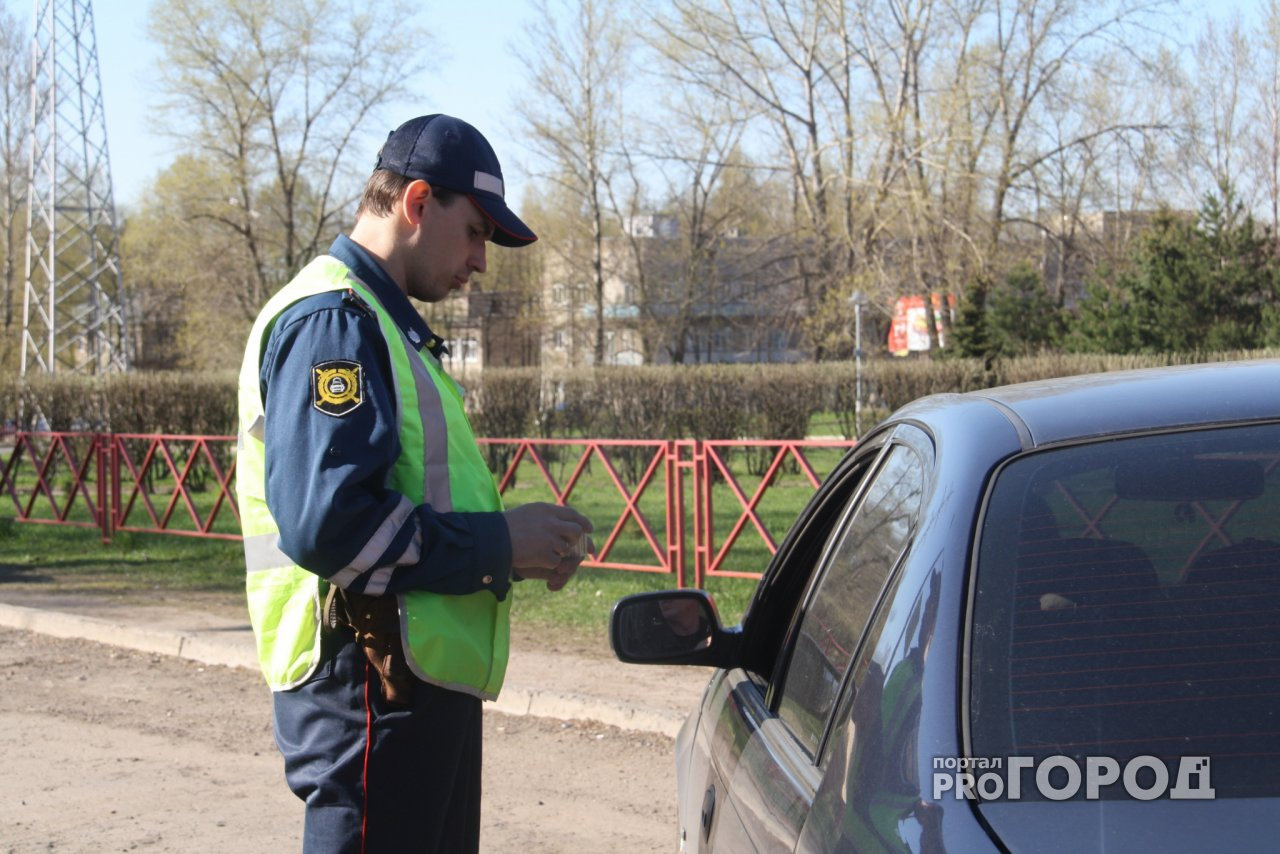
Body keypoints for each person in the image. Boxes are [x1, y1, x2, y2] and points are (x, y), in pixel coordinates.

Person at [235, 114, 593, 854]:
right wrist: (498, 544)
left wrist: (515, 547)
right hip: (368, 687)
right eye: (475, 232)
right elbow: (329, 525)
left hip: (409, 686)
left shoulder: (386, 327)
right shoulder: (335, 321)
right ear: (419, 203)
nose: (481, 262)